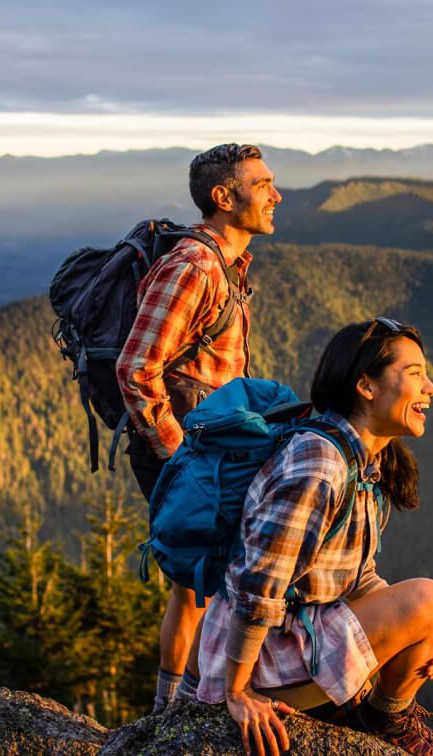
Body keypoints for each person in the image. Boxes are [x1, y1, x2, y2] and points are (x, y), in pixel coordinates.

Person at [196, 318, 433, 756]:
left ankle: (373, 717)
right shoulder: (320, 465)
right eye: (415, 374)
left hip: (295, 637)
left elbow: (358, 574)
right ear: (366, 386)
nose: (430, 387)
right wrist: (237, 693)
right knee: (429, 599)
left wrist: (422, 629)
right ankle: (382, 721)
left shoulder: (366, 465)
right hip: (257, 660)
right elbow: (256, 586)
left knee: (429, 615)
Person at [116, 143, 282, 712]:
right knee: (197, 585)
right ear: (223, 197)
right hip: (189, 452)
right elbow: (135, 367)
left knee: (205, 582)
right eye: (262, 185)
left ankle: (185, 705)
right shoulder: (195, 266)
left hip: (210, 450)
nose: (275, 195)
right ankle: (174, 714)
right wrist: (176, 455)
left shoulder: (228, 265)